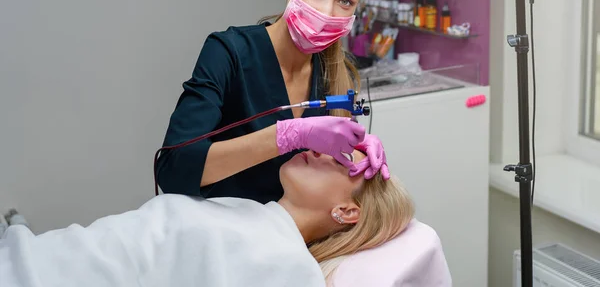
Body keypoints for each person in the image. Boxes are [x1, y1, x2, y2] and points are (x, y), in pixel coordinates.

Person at [156, 0, 389, 201]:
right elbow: (173, 169)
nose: (326, 14)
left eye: (345, 1)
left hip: (290, 234)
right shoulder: (229, 53)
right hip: (223, 232)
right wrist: (287, 136)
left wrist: (357, 151)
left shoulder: (336, 73)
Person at [0, 149, 414, 287]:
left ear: (346, 210)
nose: (322, 150)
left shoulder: (292, 268)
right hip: (35, 260)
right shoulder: (249, 208)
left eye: (341, 159)